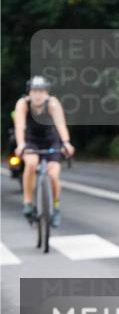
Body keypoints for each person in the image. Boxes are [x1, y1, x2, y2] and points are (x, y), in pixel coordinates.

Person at [13, 76, 75, 227]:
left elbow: (61, 125)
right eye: (34, 91)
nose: (38, 95)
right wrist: (21, 145)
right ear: (30, 92)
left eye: (41, 91)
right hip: (31, 140)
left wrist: (66, 143)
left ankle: (55, 206)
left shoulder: (53, 103)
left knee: (53, 175)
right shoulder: (23, 104)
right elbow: (19, 126)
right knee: (32, 163)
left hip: (51, 140)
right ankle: (27, 202)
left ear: (47, 93)